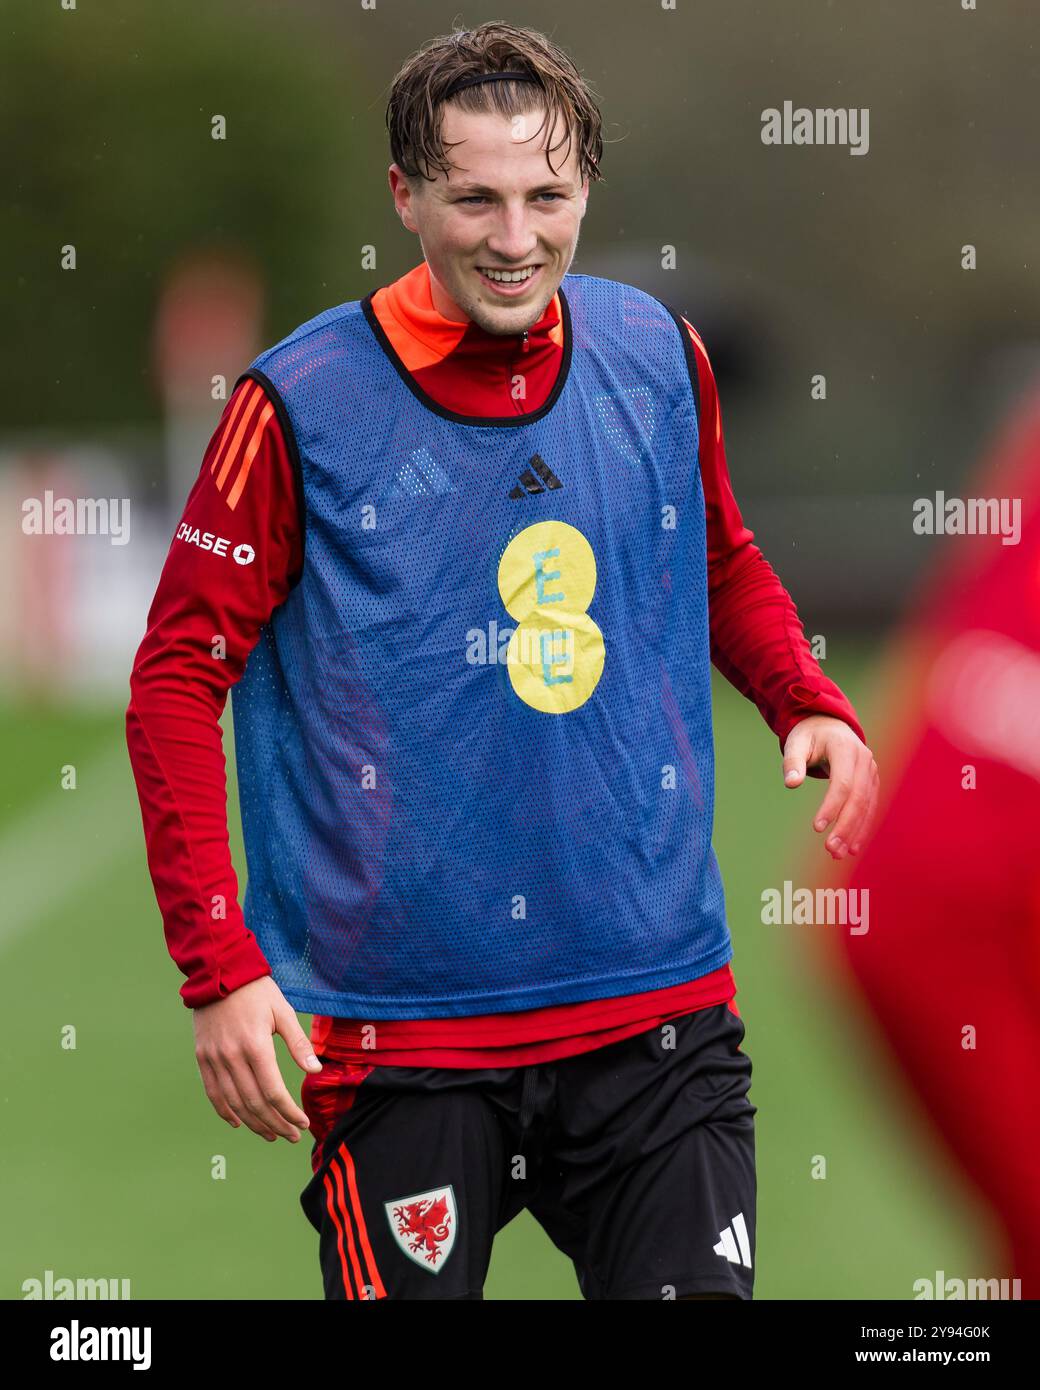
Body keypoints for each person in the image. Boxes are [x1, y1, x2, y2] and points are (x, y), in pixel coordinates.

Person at [126, 21, 879, 1301]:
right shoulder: (296, 404)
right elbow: (176, 677)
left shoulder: (657, 354)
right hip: (402, 1039)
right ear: (405, 196)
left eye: (548, 195)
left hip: (655, 1014)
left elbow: (714, 555)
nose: (515, 237)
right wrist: (219, 965)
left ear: (587, 190)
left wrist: (801, 696)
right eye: (474, 197)